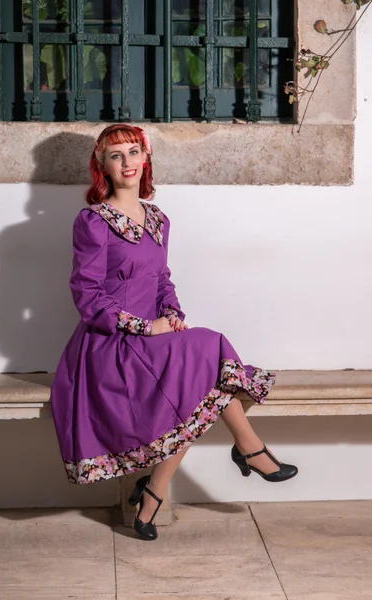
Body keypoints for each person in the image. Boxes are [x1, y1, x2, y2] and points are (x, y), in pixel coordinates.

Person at [51, 124, 298, 541]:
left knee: (202, 371)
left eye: (134, 152)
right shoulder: (93, 221)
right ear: (102, 165)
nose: (127, 162)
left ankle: (156, 490)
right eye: (116, 155)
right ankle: (249, 450)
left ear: (145, 159)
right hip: (110, 346)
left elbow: (162, 277)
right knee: (211, 350)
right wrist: (146, 326)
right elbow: (87, 296)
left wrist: (171, 313)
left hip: (156, 340)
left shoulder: (159, 219)